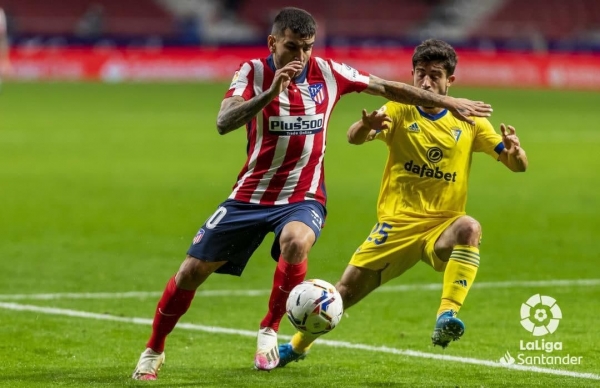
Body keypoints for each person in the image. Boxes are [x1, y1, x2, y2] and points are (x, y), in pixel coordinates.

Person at [132, 9, 493, 380]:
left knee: (296, 242)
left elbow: (387, 87)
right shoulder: (253, 72)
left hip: (303, 196)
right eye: (292, 47)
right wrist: (271, 93)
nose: (301, 56)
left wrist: (450, 103)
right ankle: (154, 349)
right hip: (250, 195)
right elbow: (224, 122)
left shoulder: (329, 72)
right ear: (273, 43)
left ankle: (269, 329)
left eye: (307, 47)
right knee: (191, 272)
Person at [277, 38, 528, 367]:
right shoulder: (399, 108)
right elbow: (355, 137)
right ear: (411, 74)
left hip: (441, 226)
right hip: (395, 226)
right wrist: (365, 127)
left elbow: (515, 164)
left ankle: (446, 316)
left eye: (435, 75)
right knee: (343, 293)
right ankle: (298, 345)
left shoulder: (470, 121)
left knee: (469, 227)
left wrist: (515, 151)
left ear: (450, 80)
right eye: (420, 74)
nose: (425, 81)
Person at [0, 8, 11, 80]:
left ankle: (7, 73)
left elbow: (2, 29)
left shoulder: (1, 12)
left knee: (4, 58)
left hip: (1, 38)